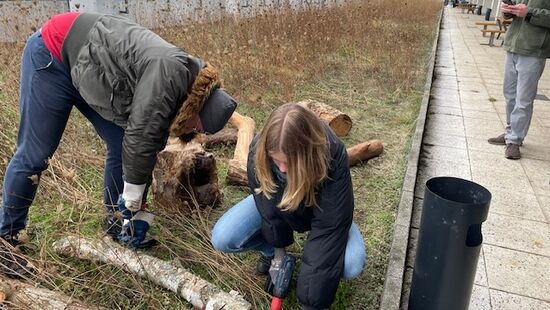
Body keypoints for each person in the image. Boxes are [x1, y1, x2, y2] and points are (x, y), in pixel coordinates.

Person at [0, 12, 237, 275]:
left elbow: (149, 140)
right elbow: (142, 136)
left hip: (88, 69)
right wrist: (134, 196)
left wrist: (136, 206)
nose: (194, 130)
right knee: (35, 155)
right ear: (199, 107)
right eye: (198, 125)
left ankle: (118, 223)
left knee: (121, 142)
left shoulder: (184, 86)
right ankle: (7, 241)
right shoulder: (170, 73)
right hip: (53, 54)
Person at [211, 103, 366, 309]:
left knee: (352, 264)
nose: (282, 168)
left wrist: (310, 301)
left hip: (326, 211)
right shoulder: (260, 150)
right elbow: (267, 209)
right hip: (280, 204)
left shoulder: (331, 154)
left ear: (306, 153)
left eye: (289, 162)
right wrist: (278, 255)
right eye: (277, 161)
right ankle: (269, 251)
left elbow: (329, 227)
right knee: (224, 237)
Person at [488, 0, 550, 159]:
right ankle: (510, 133)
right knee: (509, 95)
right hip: (512, 46)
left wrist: (529, 13)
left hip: (534, 50)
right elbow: (514, 11)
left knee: (524, 99)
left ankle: (515, 141)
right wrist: (508, 10)